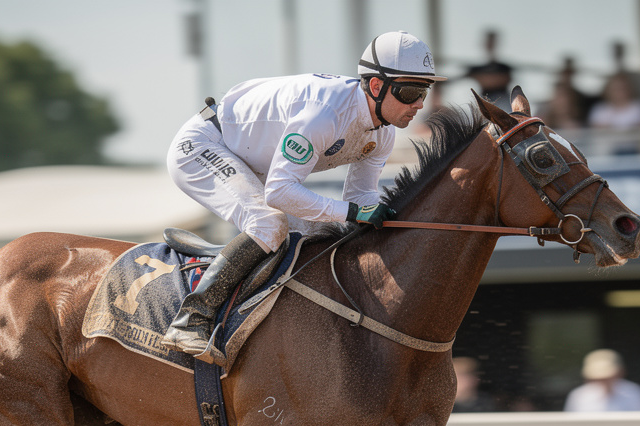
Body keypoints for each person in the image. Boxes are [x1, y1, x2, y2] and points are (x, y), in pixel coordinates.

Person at [162, 30, 446, 364]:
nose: (419, 104)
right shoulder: (323, 115)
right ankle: (191, 319)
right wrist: (353, 212)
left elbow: (360, 196)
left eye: (424, 90)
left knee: (312, 238)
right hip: (205, 146)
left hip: (255, 160)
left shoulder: (381, 133)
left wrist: (389, 215)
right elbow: (281, 193)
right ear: (375, 86)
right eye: (410, 90)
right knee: (268, 223)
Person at [587, 72, 640, 156]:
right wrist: (627, 129)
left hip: (635, 147)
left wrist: (612, 129)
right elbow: (597, 130)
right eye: (615, 89)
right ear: (608, 90)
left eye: (622, 88)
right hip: (608, 151)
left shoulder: (638, 107)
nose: (619, 92)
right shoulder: (600, 109)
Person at [465, 29, 514, 111]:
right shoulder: (477, 68)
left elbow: (505, 79)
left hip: (500, 102)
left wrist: (481, 78)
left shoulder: (504, 67)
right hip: (486, 102)